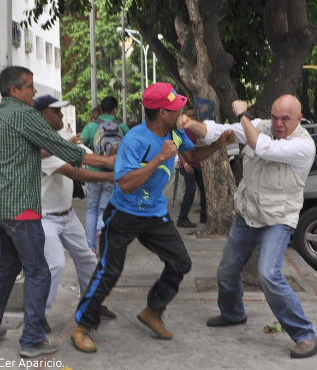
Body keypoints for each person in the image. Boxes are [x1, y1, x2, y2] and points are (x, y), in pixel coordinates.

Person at [70, 82, 235, 353]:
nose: (181, 110)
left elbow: (192, 155)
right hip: (123, 214)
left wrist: (218, 144)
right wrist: (160, 157)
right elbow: (125, 184)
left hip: (155, 213)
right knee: (109, 271)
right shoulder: (135, 140)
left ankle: (153, 310)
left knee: (181, 262)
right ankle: (82, 326)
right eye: (175, 108)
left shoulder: (175, 133)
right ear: (161, 113)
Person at [0, 66, 114, 359]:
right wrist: (112, 163)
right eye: (29, 86)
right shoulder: (26, 116)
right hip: (19, 208)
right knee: (39, 272)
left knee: (8, 265)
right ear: (15, 90)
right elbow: (67, 152)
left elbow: (36, 151)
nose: (34, 92)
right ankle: (32, 339)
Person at [181, 95, 317, 359]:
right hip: (247, 215)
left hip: (278, 221)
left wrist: (241, 115)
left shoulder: (304, 145)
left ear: (299, 120)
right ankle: (233, 313)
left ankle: (306, 335)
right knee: (226, 271)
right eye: (275, 117)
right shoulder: (258, 126)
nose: (278, 123)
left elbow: (263, 148)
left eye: (286, 119)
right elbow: (216, 131)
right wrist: (189, 123)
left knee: (269, 275)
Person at [33, 95, 118, 334]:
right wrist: (109, 174)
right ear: (42, 115)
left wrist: (111, 153)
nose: (61, 116)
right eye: (56, 112)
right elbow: (76, 172)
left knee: (88, 259)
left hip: (67, 215)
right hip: (44, 217)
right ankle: (39, 316)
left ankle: (92, 303)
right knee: (55, 265)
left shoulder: (61, 138)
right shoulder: (39, 146)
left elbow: (90, 156)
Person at [81, 96, 129, 252]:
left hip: (93, 174)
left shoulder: (91, 126)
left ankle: (90, 247)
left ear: (100, 111)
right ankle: (101, 230)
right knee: (104, 209)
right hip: (113, 175)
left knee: (91, 209)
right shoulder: (122, 126)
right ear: (115, 110)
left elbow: (80, 146)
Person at [176, 107, 207, 228]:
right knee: (191, 189)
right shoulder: (181, 130)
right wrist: (185, 164)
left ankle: (204, 218)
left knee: (204, 190)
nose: (191, 118)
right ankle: (182, 218)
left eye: (193, 115)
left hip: (199, 164)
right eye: (189, 115)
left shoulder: (199, 128)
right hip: (187, 164)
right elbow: (178, 149)